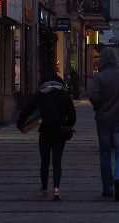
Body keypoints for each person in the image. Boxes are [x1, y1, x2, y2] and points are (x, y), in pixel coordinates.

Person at [16, 72, 76, 201]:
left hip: (45, 132)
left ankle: (44, 187)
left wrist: (20, 124)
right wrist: (66, 125)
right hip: (59, 134)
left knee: (45, 161)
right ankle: (56, 189)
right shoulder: (65, 95)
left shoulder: (40, 95)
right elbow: (72, 117)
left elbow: (27, 110)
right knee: (57, 161)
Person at [90, 47, 119, 201]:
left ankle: (107, 188)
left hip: (104, 120)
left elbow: (93, 97)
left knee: (105, 154)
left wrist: (100, 105)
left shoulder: (99, 77)